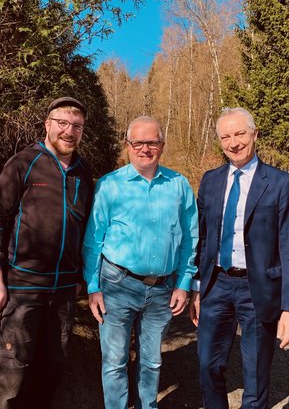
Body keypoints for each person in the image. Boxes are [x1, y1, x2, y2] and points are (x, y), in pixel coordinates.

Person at [189, 107, 289, 409]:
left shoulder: (281, 184)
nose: (233, 142)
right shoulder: (210, 181)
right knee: (207, 366)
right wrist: (197, 287)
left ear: (254, 134)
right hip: (216, 285)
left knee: (255, 377)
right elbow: (202, 239)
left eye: (240, 133)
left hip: (258, 290)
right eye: (225, 136)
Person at [83, 116, 199, 409]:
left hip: (162, 290)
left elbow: (190, 239)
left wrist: (184, 283)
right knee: (114, 361)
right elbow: (93, 240)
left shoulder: (179, 185)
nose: (145, 148)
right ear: (128, 145)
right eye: (138, 142)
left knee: (152, 361)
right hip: (116, 286)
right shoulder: (110, 185)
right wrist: (93, 286)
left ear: (162, 145)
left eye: (152, 142)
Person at [0, 96, 93, 409]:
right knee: (12, 378)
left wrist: (77, 279)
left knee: (51, 372)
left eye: (77, 126)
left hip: (62, 295)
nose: (69, 131)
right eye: (62, 123)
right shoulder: (22, 163)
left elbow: (83, 230)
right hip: (21, 290)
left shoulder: (84, 173)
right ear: (48, 125)